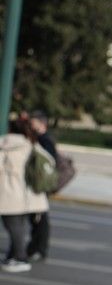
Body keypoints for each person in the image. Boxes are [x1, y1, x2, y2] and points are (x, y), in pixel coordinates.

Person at [0, 118, 48, 272]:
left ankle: (20, 258)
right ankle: (13, 256)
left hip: (9, 192)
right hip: (26, 194)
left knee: (13, 227)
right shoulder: (31, 144)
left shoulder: (6, 144)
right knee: (18, 226)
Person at [27, 110, 55, 262]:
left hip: (40, 184)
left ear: (41, 123)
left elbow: (48, 163)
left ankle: (38, 248)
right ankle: (35, 247)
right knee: (37, 218)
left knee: (39, 218)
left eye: (33, 123)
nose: (31, 126)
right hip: (40, 184)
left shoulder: (45, 140)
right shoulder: (42, 138)